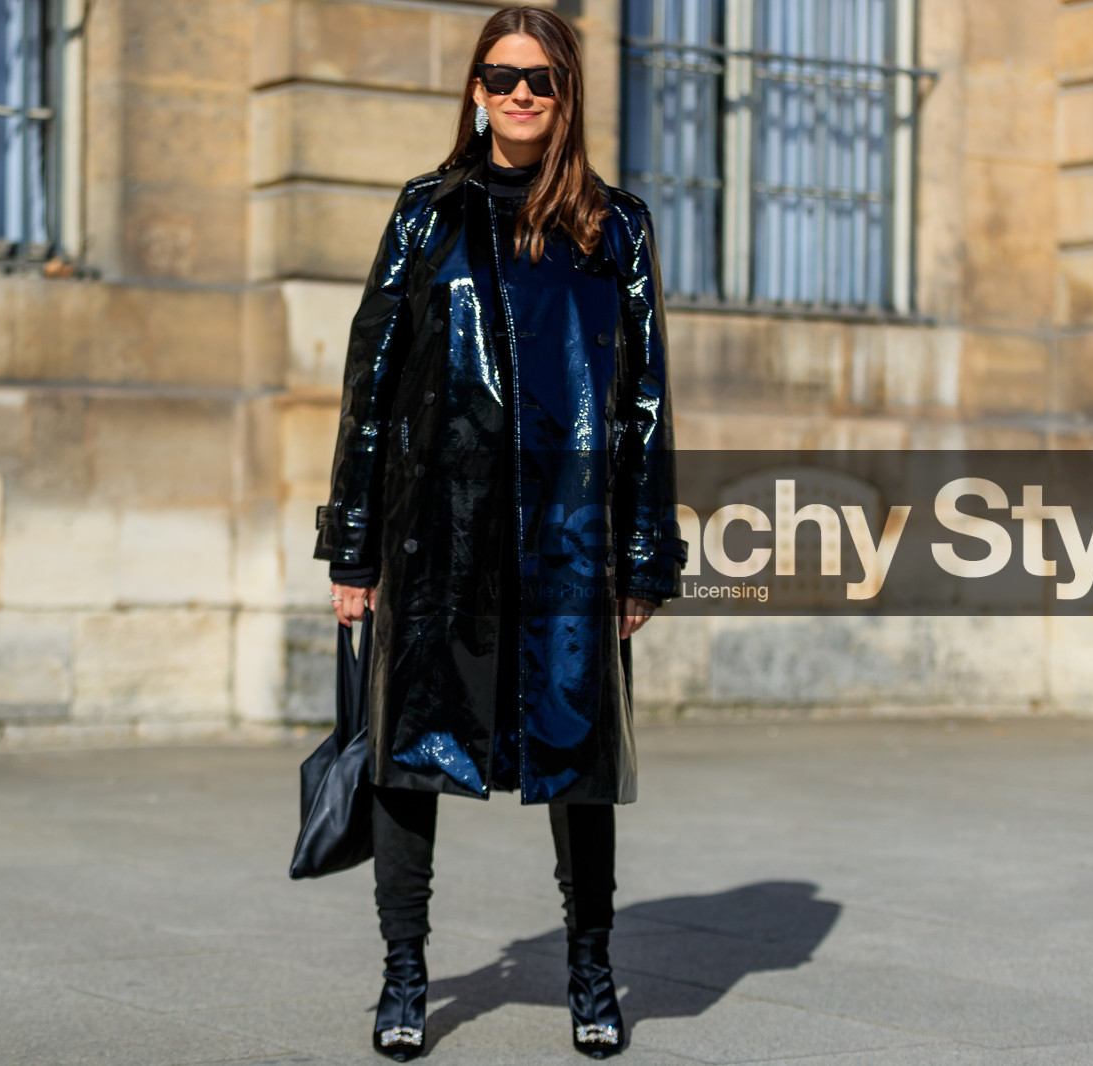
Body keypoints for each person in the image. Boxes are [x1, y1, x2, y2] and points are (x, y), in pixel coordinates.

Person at [312, 5, 687, 1059]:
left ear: (567, 97)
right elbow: (371, 385)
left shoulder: (616, 226)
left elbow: (646, 398)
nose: (522, 94)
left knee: (581, 755)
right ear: (475, 88)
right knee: (405, 755)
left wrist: (644, 558)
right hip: (439, 533)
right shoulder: (426, 215)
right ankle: (403, 973)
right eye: (503, 75)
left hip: (571, 538)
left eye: (542, 80)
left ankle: (590, 969)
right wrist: (353, 548)